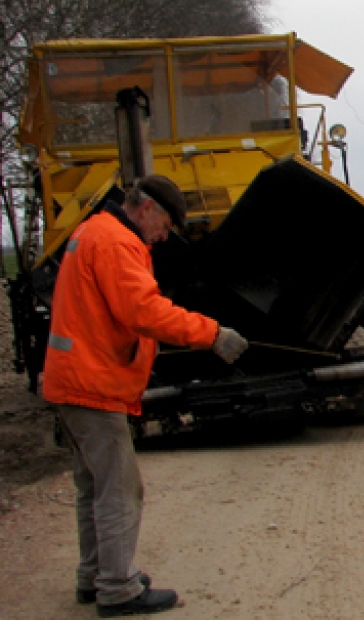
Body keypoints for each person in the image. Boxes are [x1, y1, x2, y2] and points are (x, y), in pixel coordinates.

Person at [42, 175, 249, 617]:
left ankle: (94, 576)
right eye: (166, 225)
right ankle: (118, 588)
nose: (164, 236)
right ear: (147, 207)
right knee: (120, 488)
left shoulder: (93, 231)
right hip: (91, 384)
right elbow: (144, 312)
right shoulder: (117, 243)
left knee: (93, 485)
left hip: (73, 379)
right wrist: (212, 334)